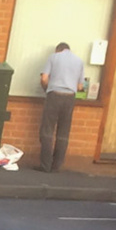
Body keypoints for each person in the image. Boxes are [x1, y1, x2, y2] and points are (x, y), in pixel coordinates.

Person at [37, 42, 84, 173]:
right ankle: (56, 166)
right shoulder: (79, 61)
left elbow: (44, 78)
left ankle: (45, 165)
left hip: (54, 95)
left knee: (47, 131)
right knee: (63, 132)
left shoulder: (53, 57)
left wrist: (46, 89)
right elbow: (80, 86)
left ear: (58, 50)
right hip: (69, 97)